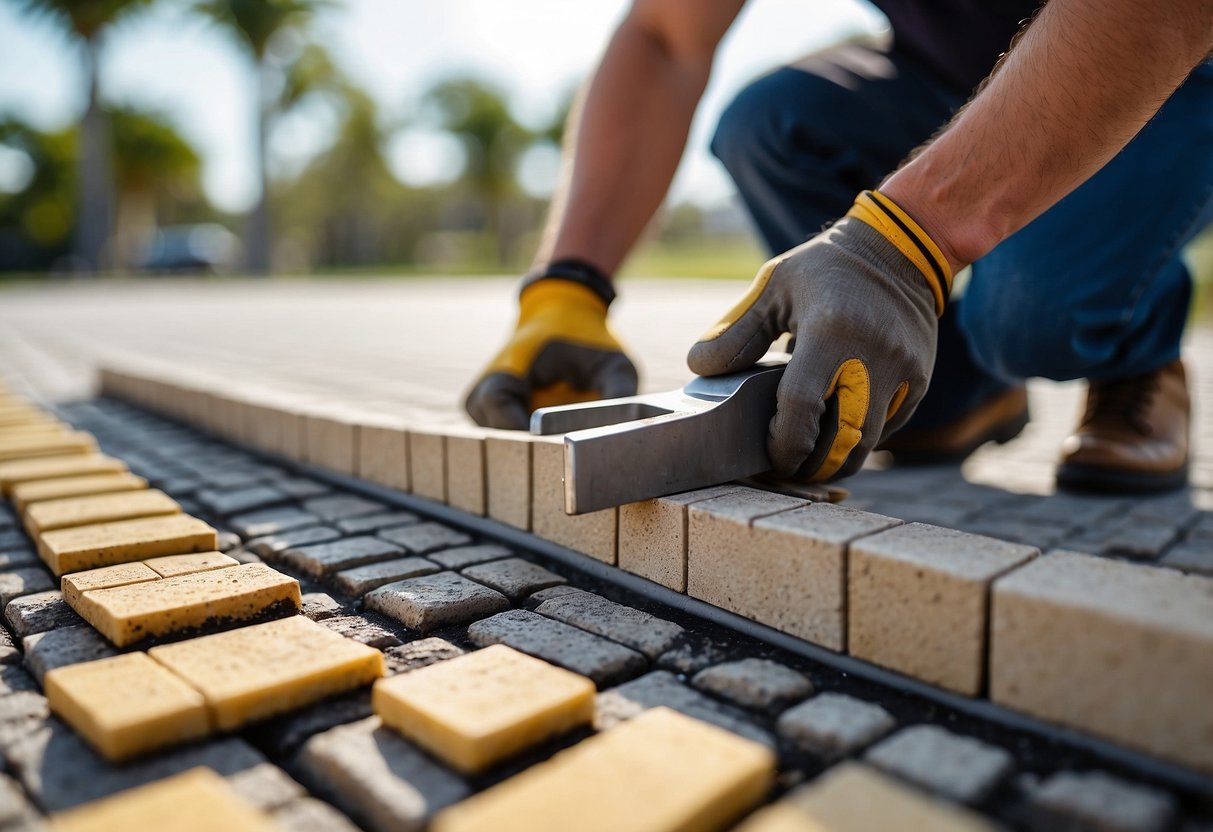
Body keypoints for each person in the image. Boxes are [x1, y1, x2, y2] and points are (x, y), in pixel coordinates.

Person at [465, 0, 1213, 493]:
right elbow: (665, 38)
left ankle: (1136, 354)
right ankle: (952, 393)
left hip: (1159, 58)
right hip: (950, 78)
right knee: (770, 122)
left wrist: (904, 243)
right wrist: (568, 286)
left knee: (1031, 315)